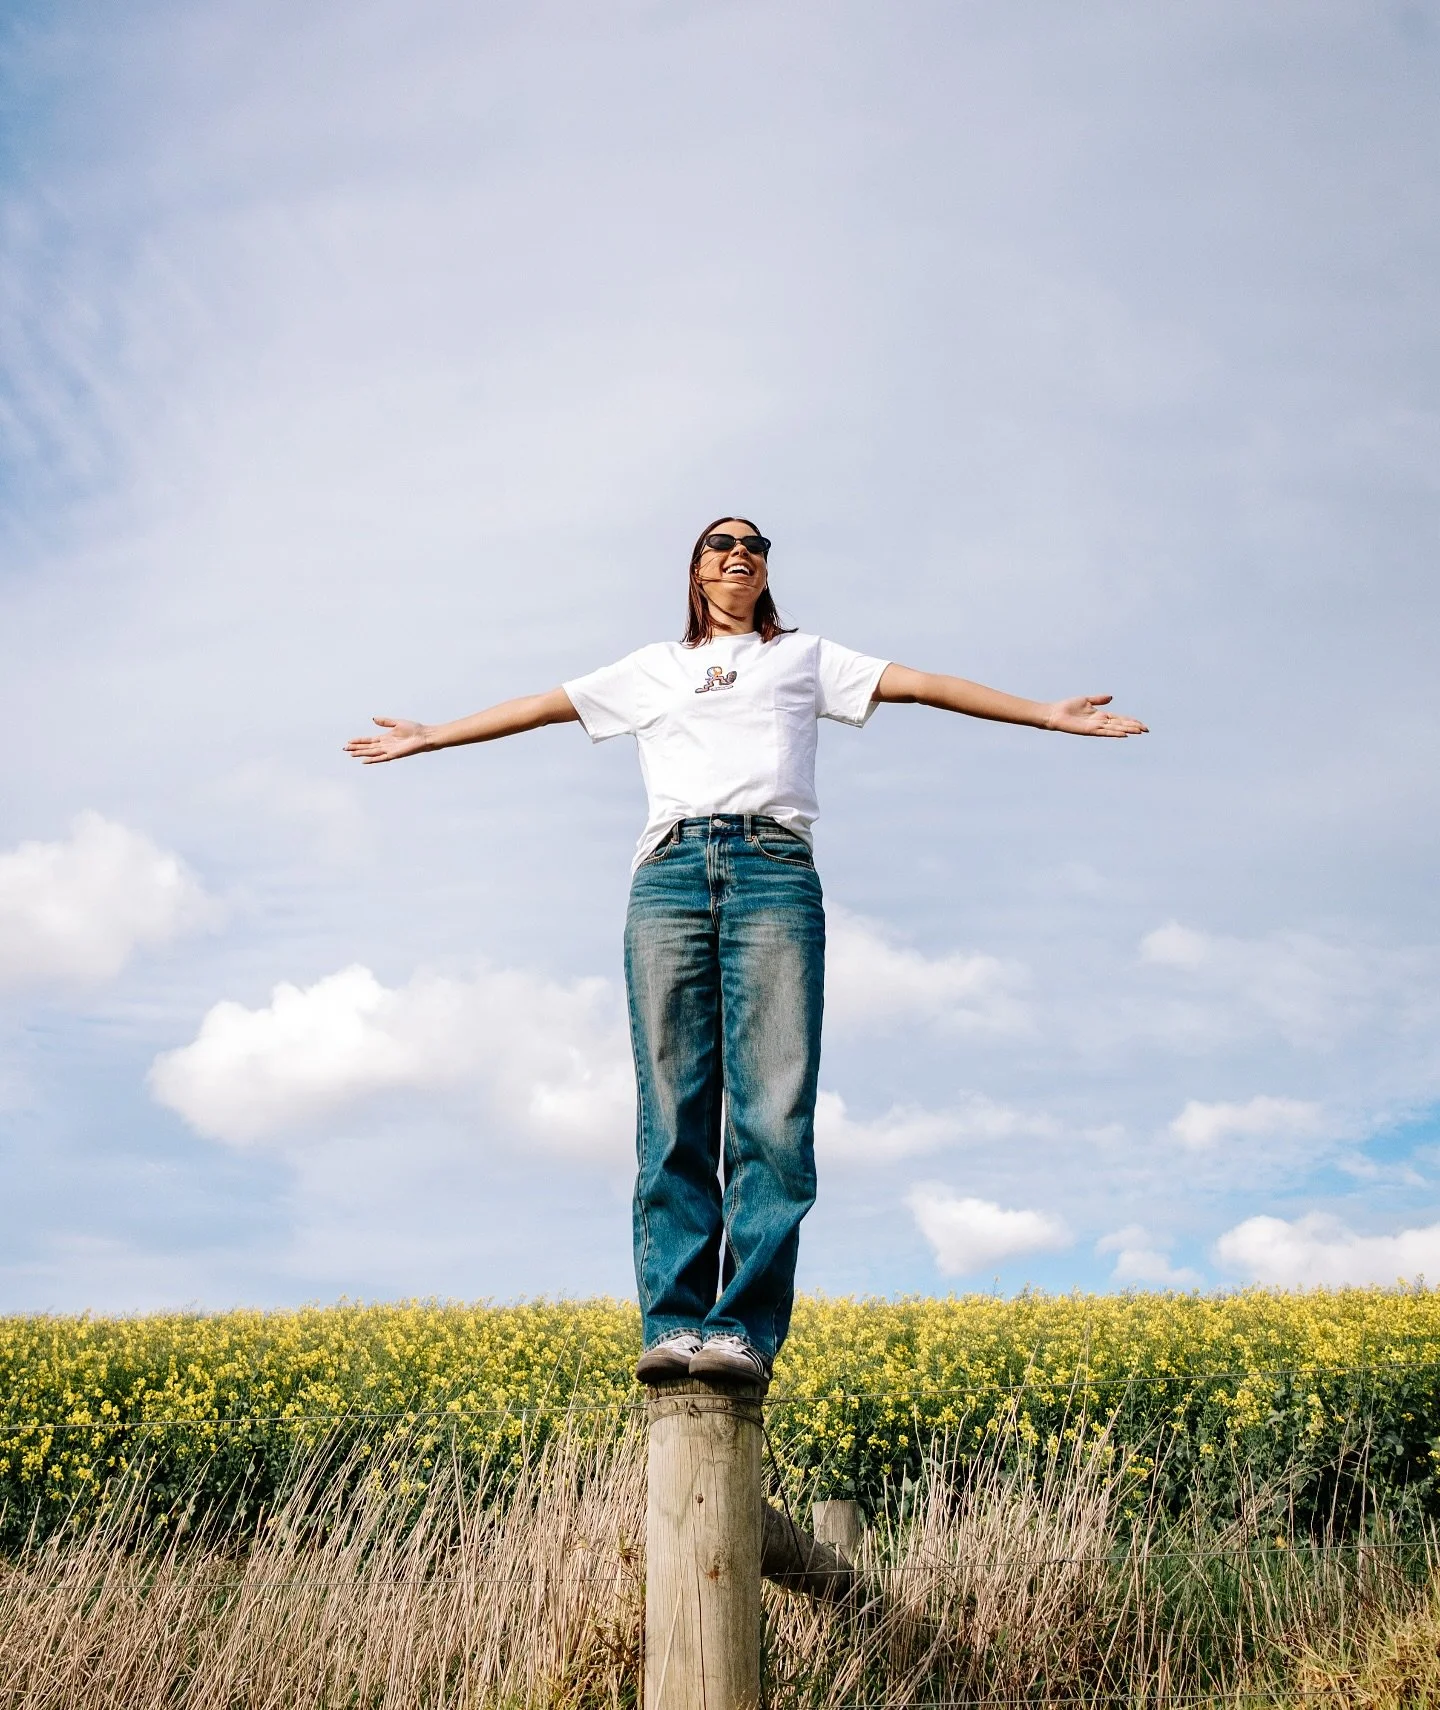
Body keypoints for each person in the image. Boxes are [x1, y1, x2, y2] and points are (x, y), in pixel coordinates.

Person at [345, 516, 1147, 1386]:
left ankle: (741, 1330)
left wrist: (1043, 714)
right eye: (720, 544)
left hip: (773, 871)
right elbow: (542, 706)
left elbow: (924, 684)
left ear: (766, 573)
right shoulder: (655, 667)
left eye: (754, 547)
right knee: (673, 1099)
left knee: (772, 1105)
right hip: (670, 875)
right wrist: (431, 735)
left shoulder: (804, 657)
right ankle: (675, 1321)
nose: (739, 553)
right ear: (695, 570)